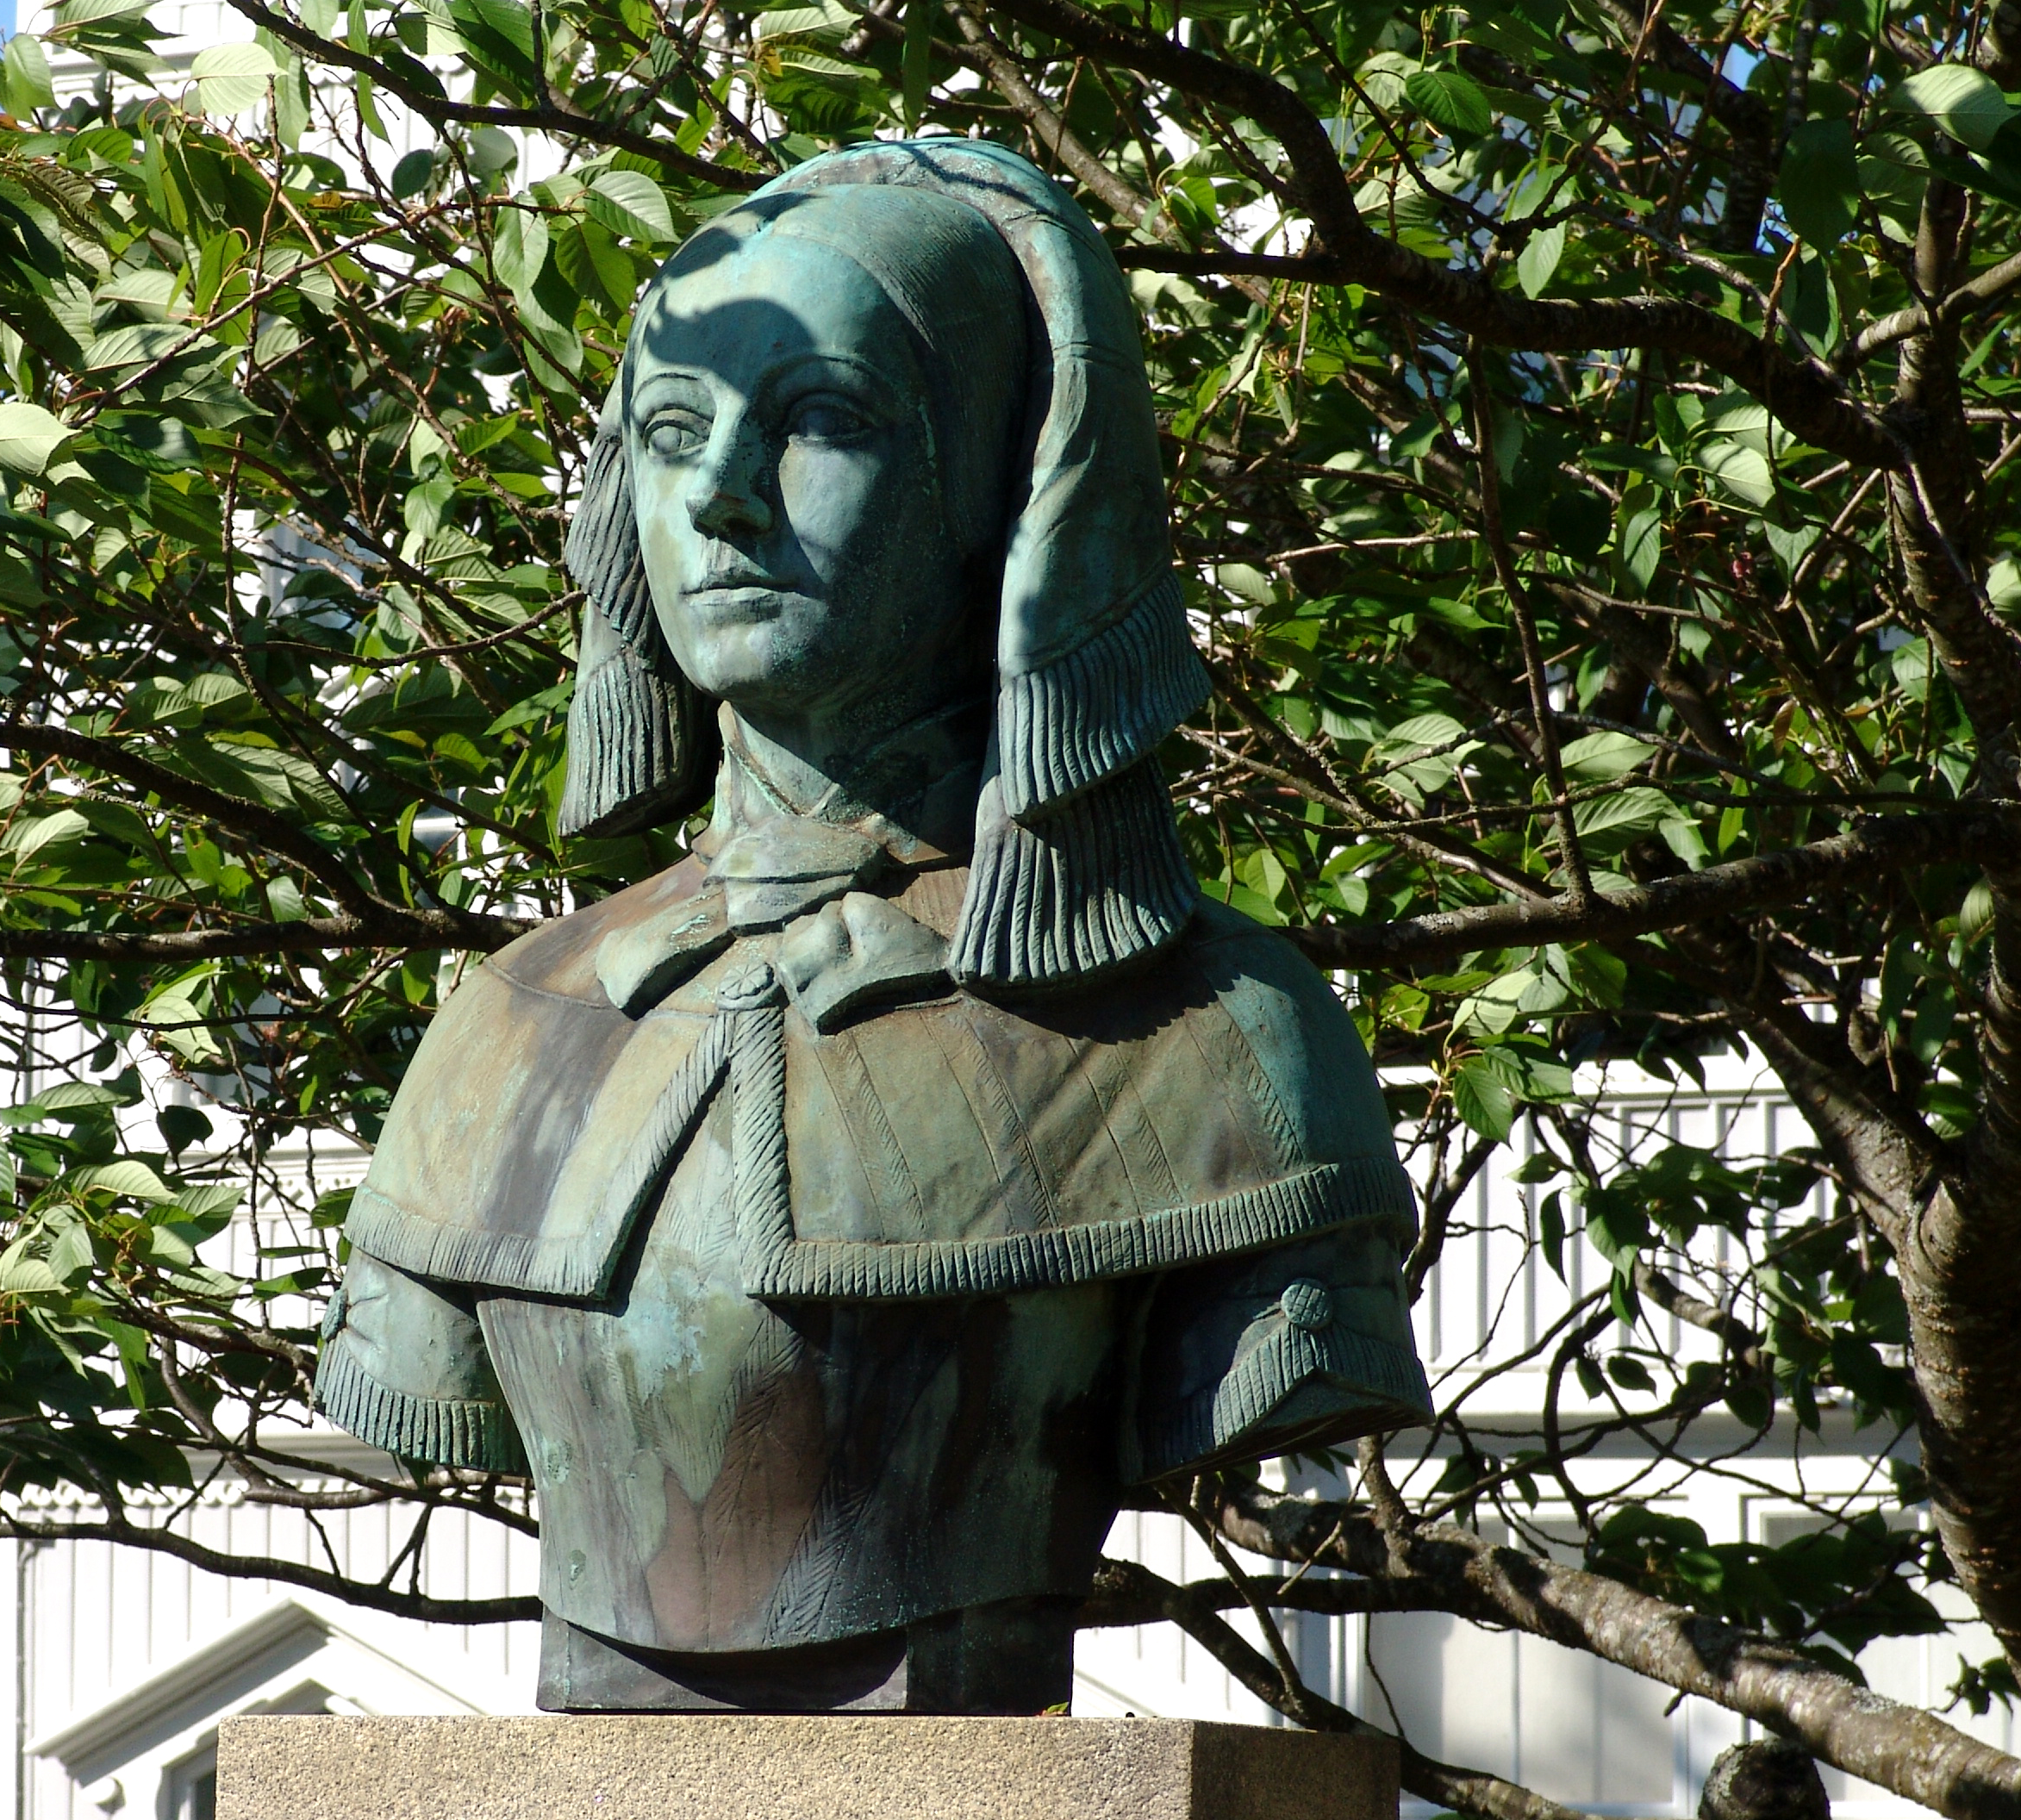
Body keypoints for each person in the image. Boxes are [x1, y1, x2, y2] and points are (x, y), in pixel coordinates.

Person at [315, 139, 1432, 1714]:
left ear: (998, 488)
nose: (720, 495)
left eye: (822, 419)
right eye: (673, 431)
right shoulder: (504, 1030)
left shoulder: (1221, 1035)